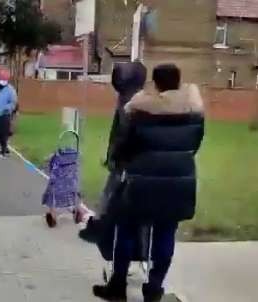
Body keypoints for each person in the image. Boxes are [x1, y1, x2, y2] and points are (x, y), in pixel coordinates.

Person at [92, 64, 204, 302]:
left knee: (126, 229)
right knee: (165, 234)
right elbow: (194, 146)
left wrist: (119, 161)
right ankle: (154, 288)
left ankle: (118, 286)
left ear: (155, 84)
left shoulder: (140, 110)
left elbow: (125, 147)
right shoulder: (194, 112)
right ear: (178, 82)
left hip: (140, 181)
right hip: (178, 182)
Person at [79, 62, 147, 242]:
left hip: (128, 158)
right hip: (126, 156)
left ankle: (103, 228)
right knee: (113, 192)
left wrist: (116, 155)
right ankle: (103, 226)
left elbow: (124, 131)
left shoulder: (131, 99)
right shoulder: (128, 96)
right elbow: (117, 129)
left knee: (114, 194)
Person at [0, 70, 17, 157]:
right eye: (1, 79)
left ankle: (3, 150)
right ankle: (4, 148)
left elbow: (13, 103)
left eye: (4, 79)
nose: (2, 81)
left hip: (4, 115)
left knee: (3, 133)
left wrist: (6, 108)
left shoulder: (10, 90)